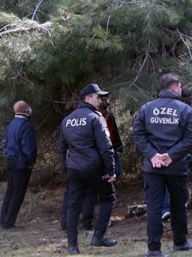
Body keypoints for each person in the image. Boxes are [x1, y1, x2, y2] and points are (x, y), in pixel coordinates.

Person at [132, 73, 192, 256]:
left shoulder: (146, 108)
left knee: (154, 207)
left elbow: (138, 135)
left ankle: (154, 249)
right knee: (178, 205)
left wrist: (152, 155)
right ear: (174, 88)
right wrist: (171, 156)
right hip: (176, 166)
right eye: (180, 87)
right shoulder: (185, 110)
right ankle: (180, 242)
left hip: (152, 166)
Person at [58, 83, 118, 255]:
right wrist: (111, 170)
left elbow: (61, 148)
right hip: (93, 167)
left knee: (73, 205)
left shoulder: (67, 120)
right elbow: (106, 146)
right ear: (88, 98)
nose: (100, 100)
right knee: (108, 197)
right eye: (98, 97)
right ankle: (98, 237)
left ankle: (72, 246)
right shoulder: (95, 117)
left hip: (73, 168)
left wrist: (66, 170)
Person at [79, 99, 123, 230]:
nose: (106, 112)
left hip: (110, 150)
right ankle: (97, 219)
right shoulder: (93, 118)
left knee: (115, 174)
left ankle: (99, 217)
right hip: (98, 153)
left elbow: (114, 132)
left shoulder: (109, 117)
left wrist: (118, 146)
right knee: (98, 190)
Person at [0, 100, 37, 231]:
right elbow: (29, 148)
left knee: (10, 191)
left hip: (11, 161)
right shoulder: (26, 125)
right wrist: (30, 162)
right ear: (25, 110)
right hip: (22, 163)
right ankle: (9, 223)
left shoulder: (11, 124)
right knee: (17, 193)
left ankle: (4, 220)